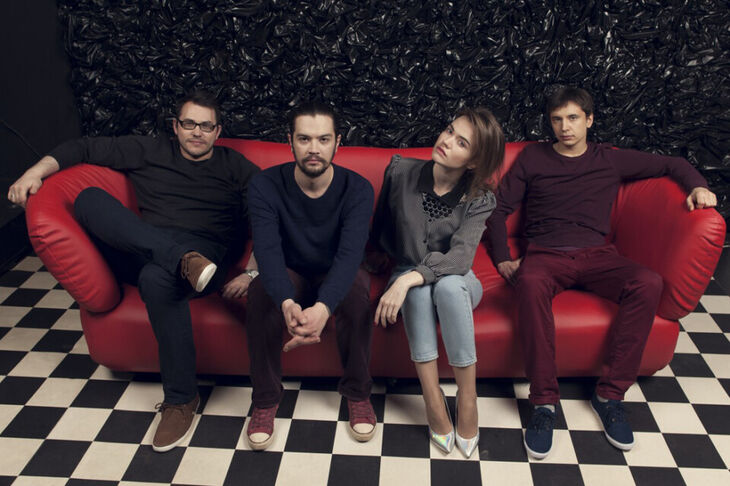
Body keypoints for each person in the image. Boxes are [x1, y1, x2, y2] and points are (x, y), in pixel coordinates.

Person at [7, 90, 260, 452]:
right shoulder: (150, 150)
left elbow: (268, 216)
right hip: (145, 247)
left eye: (206, 126)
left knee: (157, 279)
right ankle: (180, 258)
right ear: (176, 126)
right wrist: (34, 172)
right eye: (189, 123)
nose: (197, 132)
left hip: (206, 263)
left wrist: (251, 271)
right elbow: (82, 148)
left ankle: (181, 399)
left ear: (218, 131)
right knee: (88, 199)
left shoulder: (235, 166)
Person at [486, 86, 717, 459]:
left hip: (597, 255)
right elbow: (498, 210)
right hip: (546, 254)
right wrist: (502, 258)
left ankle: (610, 395)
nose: (565, 127)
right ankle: (544, 402)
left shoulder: (609, 159)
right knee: (528, 282)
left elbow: (672, 164)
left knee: (648, 282)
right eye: (557, 119)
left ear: (589, 120)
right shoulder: (533, 157)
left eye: (573, 118)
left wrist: (699, 187)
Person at [369, 107, 505, 457]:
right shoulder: (400, 171)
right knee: (417, 292)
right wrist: (382, 271)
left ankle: (468, 399)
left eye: (462, 143)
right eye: (449, 130)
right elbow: (380, 229)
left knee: (445, 286)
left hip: (458, 280)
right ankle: (432, 399)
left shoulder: (480, 198)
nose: (446, 141)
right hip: (406, 269)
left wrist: (406, 280)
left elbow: (461, 259)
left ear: (474, 161)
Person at [244, 101, 376, 450]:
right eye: (304, 139)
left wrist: (323, 308)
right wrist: (287, 302)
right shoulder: (264, 185)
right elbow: (268, 252)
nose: (313, 149)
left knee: (358, 289)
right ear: (290, 142)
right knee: (260, 290)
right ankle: (265, 400)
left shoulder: (358, 189)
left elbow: (350, 256)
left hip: (335, 272)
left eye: (323, 139)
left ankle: (358, 393)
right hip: (290, 272)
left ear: (337, 143)